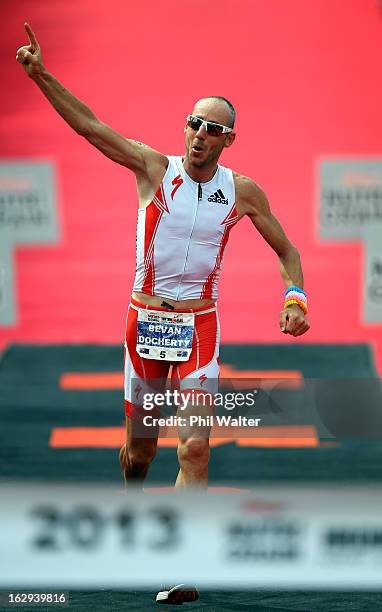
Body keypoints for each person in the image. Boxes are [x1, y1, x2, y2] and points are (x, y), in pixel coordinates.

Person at [16, 22, 310, 492]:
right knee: (141, 452)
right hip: (145, 323)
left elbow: (287, 250)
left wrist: (295, 298)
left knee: (194, 449)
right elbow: (91, 127)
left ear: (227, 140)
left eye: (212, 129)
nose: (199, 134)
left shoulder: (242, 192)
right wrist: (41, 76)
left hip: (200, 326)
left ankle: (183, 559)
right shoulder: (153, 168)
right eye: (194, 123)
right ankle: (136, 501)